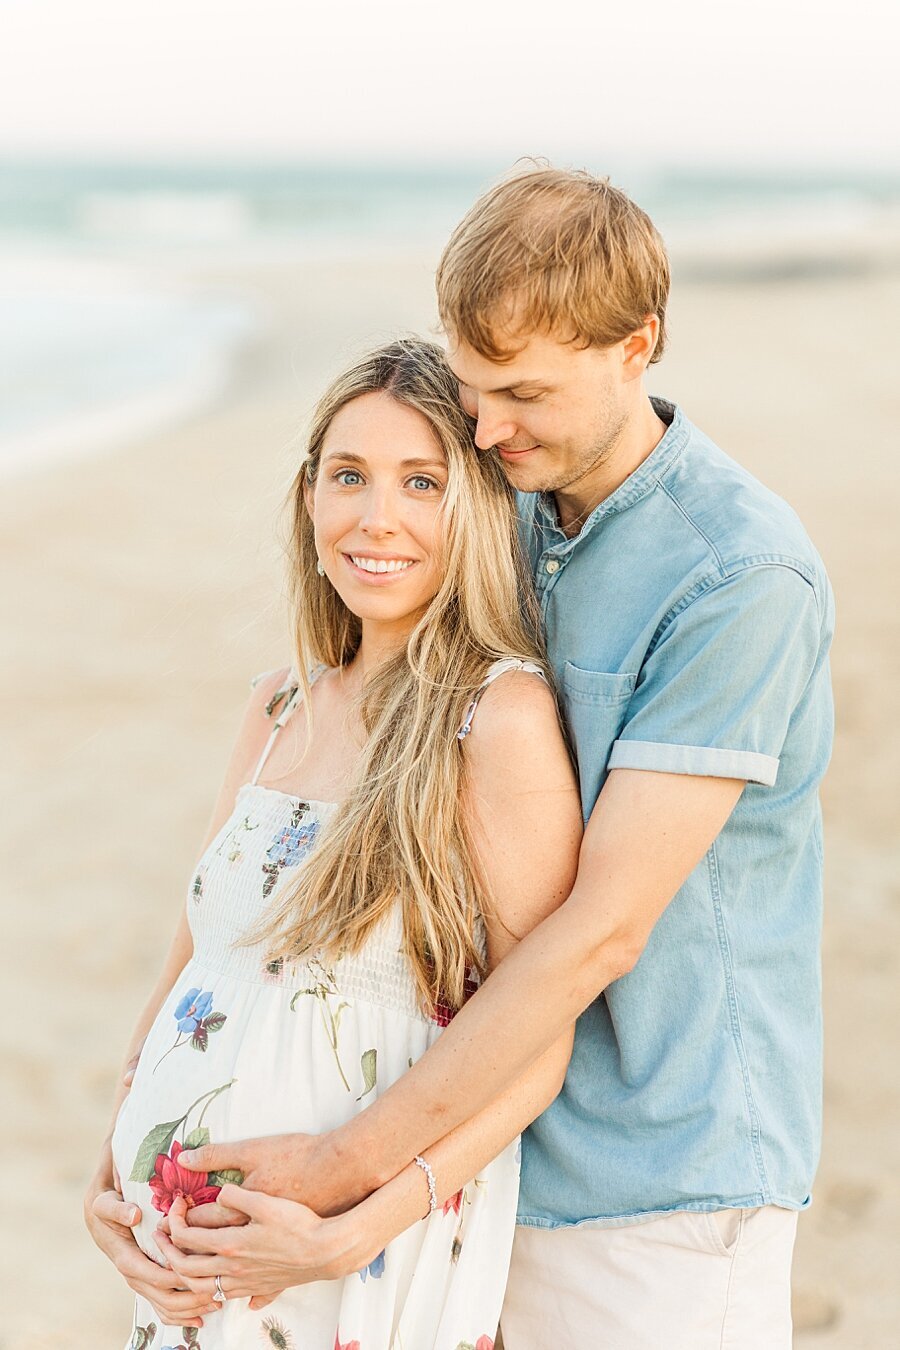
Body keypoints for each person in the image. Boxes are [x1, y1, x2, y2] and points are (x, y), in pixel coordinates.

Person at [150, 168, 835, 1349]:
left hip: (659, 1177)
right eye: (471, 389)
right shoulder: (510, 501)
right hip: (481, 1157)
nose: (487, 428)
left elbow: (601, 932)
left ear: (640, 346)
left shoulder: (738, 578)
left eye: (523, 393)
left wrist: (343, 1170)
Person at [84, 337, 583, 1349]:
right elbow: (202, 955)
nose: (376, 516)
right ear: (310, 497)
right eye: (348, 475)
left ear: (476, 510)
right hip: (184, 1268)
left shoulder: (495, 718)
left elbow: (538, 1045)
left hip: (351, 1268)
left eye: (421, 482)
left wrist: (351, 1233)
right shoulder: (277, 704)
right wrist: (114, 1177)